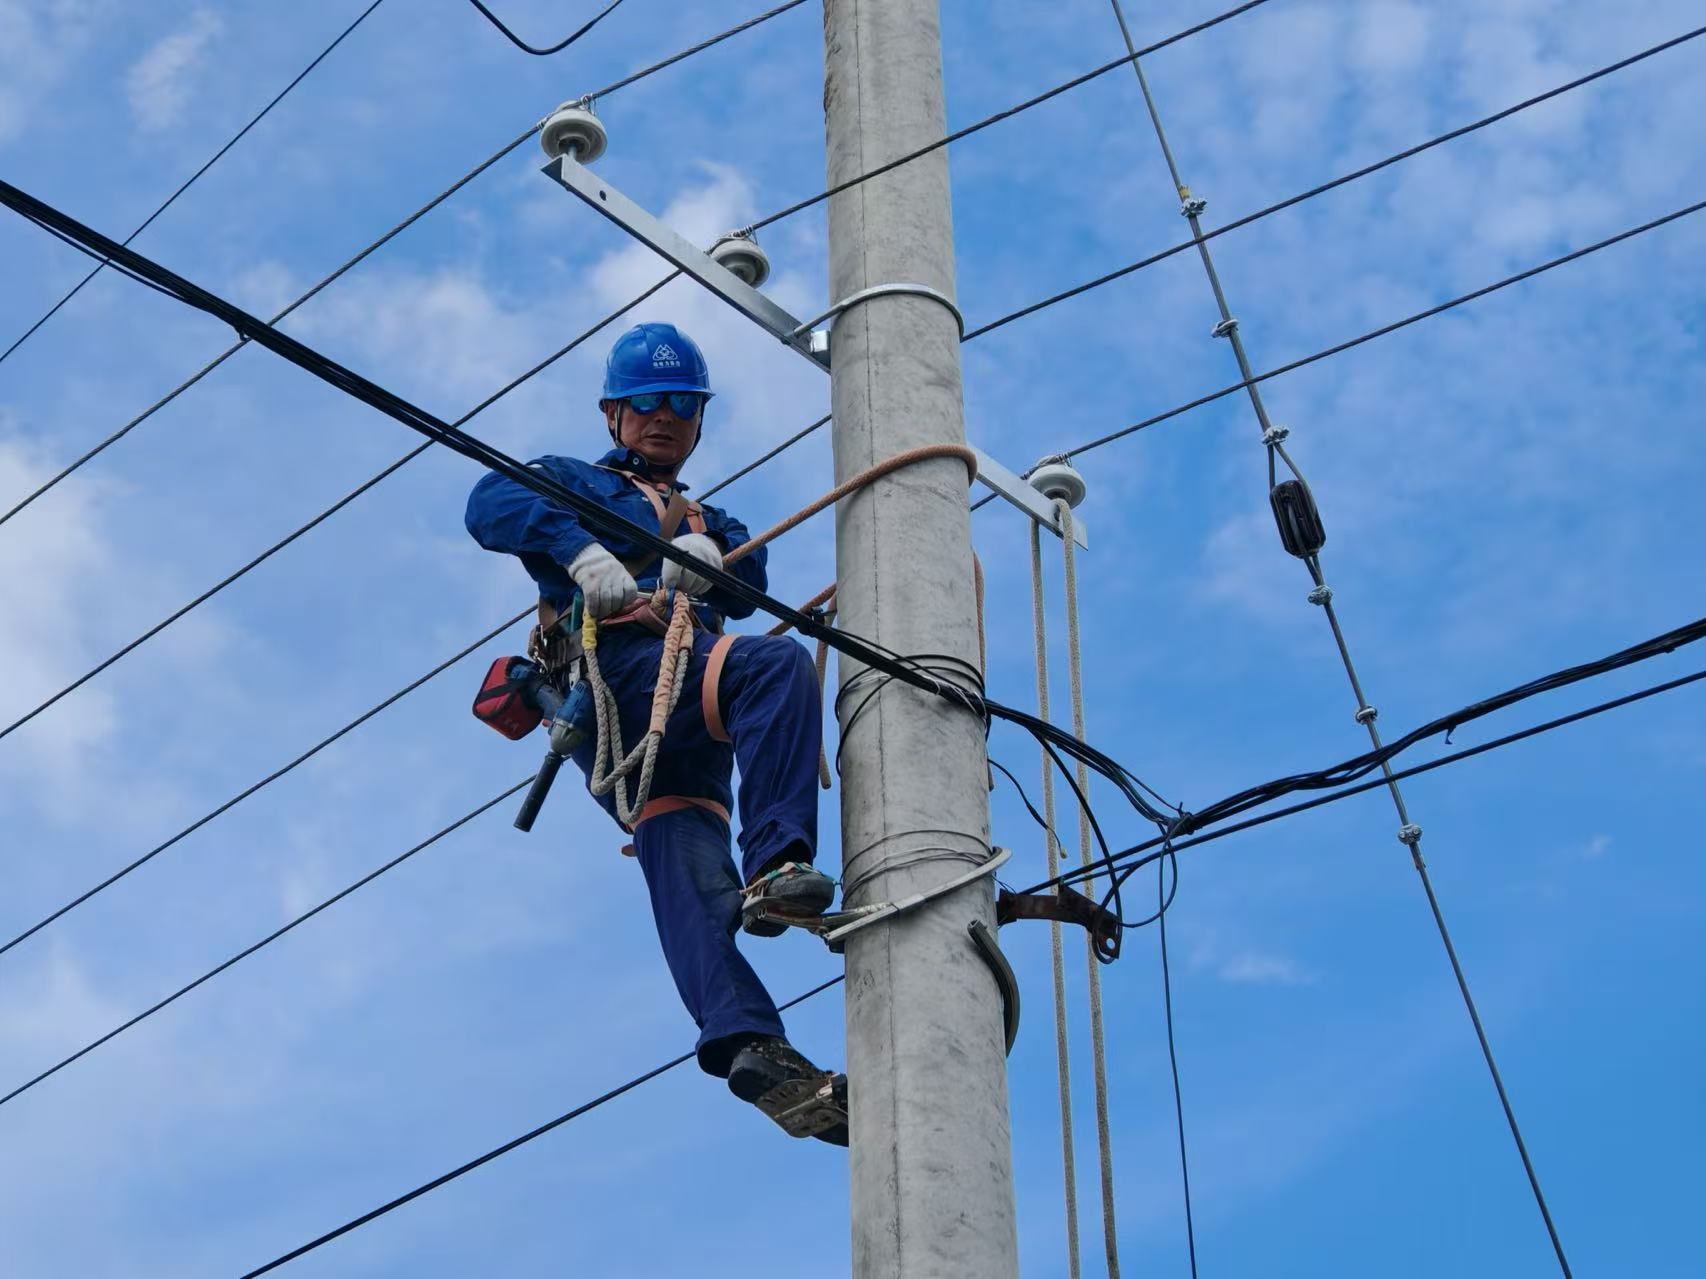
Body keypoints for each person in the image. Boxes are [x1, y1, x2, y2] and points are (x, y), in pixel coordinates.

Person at [464, 322, 846, 1142]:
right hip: (622, 679)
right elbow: (488, 503)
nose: (663, 415)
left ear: (700, 418)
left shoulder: (714, 516)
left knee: (689, 873)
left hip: (688, 708)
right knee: (776, 671)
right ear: (613, 412)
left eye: (681, 403)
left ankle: (748, 1041)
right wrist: (579, 553)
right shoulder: (571, 481)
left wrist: (710, 550)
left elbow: (750, 584)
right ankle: (780, 861)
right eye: (645, 402)